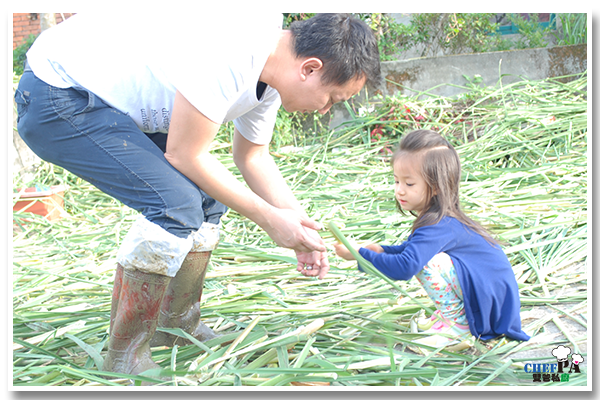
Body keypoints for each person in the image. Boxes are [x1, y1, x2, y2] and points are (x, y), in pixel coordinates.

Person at [15, 11, 381, 377]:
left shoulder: (272, 75)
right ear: (310, 68)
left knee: (208, 199)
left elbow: (252, 157)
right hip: (59, 95)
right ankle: (124, 354)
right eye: (332, 97)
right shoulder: (236, 50)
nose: (327, 108)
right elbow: (184, 154)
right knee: (175, 205)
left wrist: (301, 230)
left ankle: (176, 329)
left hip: (108, 104)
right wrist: (270, 220)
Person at [334, 129, 530, 349]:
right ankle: (456, 316)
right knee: (423, 257)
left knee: (427, 262)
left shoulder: (439, 225)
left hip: (490, 310)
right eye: (397, 181)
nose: (399, 191)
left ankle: (457, 325)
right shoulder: (441, 220)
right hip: (491, 300)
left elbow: (406, 266)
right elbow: (408, 250)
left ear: (436, 187)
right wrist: (380, 250)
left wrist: (361, 255)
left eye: (409, 184)